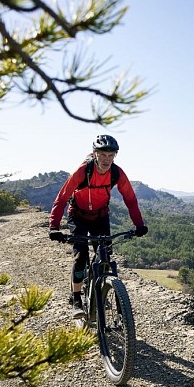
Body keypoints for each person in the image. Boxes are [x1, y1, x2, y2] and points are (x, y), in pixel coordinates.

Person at [48, 134, 148, 317]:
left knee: (105, 257)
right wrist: (54, 226)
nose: (107, 160)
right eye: (103, 155)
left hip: (101, 216)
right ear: (95, 154)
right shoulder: (83, 171)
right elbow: (62, 198)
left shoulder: (117, 173)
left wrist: (139, 224)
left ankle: (101, 291)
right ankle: (76, 298)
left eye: (111, 156)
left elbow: (131, 200)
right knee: (81, 256)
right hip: (78, 215)